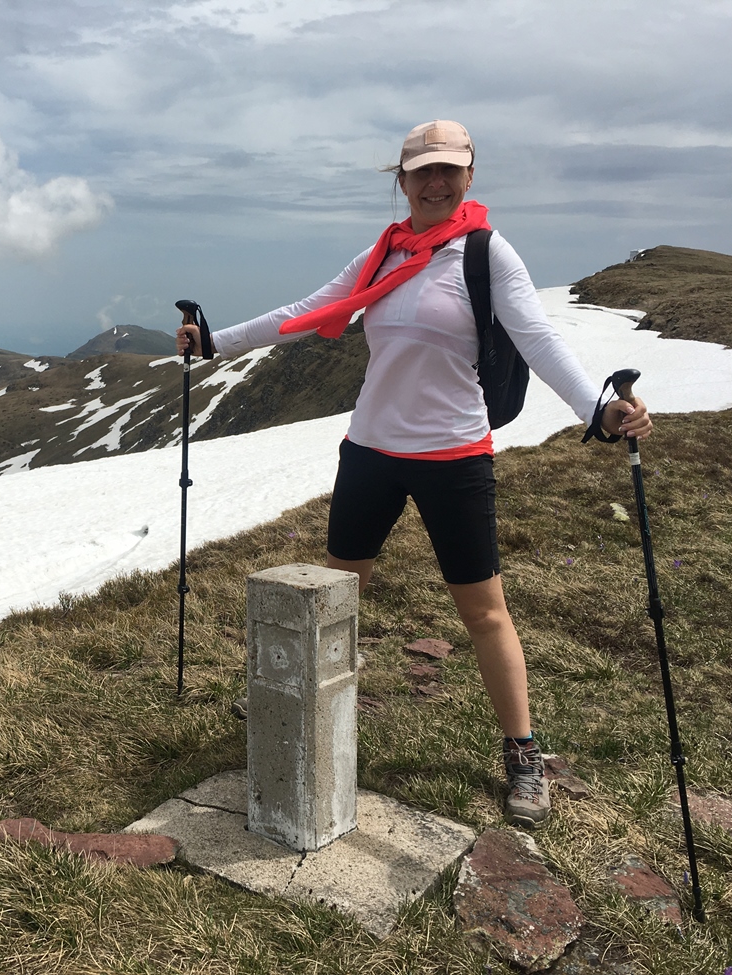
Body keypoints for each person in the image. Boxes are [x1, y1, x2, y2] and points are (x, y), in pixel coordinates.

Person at [176, 119, 652, 828]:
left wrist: (600, 409)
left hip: (455, 457)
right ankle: (305, 686)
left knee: (483, 610)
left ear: (469, 175)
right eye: (421, 170)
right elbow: (308, 310)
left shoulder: (487, 255)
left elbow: (540, 341)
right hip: (370, 448)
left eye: (448, 170)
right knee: (341, 585)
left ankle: (522, 751)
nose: (434, 182)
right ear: (401, 181)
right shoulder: (383, 254)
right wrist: (217, 342)